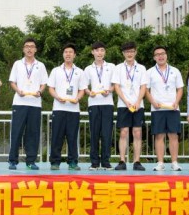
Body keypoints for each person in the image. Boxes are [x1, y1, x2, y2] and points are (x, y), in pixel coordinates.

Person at [8, 38, 48, 170]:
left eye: (32, 46)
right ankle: (13, 160)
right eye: (27, 46)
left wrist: (40, 92)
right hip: (19, 102)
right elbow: (12, 81)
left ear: (36, 49)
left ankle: (31, 160)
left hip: (35, 103)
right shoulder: (17, 64)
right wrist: (17, 90)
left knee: (33, 132)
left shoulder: (40, 65)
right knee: (16, 131)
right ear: (23, 49)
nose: (29, 49)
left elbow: (44, 83)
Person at [47, 43, 87, 170]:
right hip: (59, 108)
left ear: (74, 55)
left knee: (72, 136)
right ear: (63, 54)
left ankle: (73, 162)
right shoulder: (56, 71)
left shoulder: (80, 72)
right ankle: (55, 162)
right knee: (57, 136)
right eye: (66, 52)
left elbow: (82, 89)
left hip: (73, 109)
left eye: (70, 52)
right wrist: (57, 97)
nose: (68, 54)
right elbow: (51, 88)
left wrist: (78, 98)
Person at [146, 45, 184, 171]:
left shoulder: (175, 71)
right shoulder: (150, 72)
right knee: (159, 136)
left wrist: (177, 102)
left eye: (162, 53)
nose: (160, 56)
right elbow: (146, 90)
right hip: (157, 109)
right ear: (154, 57)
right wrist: (153, 102)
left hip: (172, 108)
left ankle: (174, 162)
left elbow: (180, 89)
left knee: (173, 135)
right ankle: (160, 162)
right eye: (157, 54)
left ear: (166, 55)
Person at [111, 41, 148, 171]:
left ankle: (137, 161)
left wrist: (138, 101)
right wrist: (126, 101)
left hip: (138, 104)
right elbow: (116, 86)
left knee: (137, 133)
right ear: (123, 53)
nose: (129, 54)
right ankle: (122, 160)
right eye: (127, 52)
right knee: (124, 132)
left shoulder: (142, 68)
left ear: (135, 52)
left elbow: (143, 86)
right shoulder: (118, 68)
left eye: (132, 51)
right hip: (123, 104)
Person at [83, 41, 116, 170]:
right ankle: (94, 162)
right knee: (94, 133)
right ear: (93, 52)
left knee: (107, 133)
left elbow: (115, 84)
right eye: (97, 50)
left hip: (107, 103)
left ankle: (106, 161)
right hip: (94, 103)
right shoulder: (88, 69)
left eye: (102, 50)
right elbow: (84, 86)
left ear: (105, 52)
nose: (99, 53)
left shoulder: (112, 67)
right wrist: (88, 92)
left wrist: (110, 90)